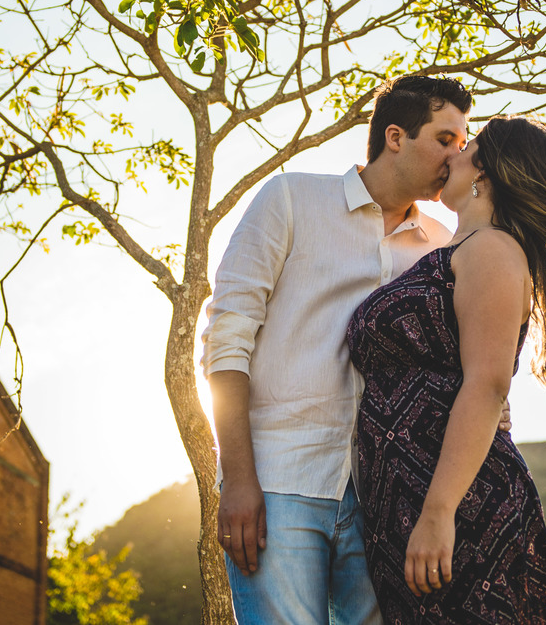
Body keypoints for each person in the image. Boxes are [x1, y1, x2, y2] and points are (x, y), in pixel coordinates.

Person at [200, 75, 476, 625]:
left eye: (463, 143)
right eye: (446, 139)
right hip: (279, 482)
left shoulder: (447, 247)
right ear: (395, 137)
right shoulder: (291, 199)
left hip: (390, 498)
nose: (457, 154)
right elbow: (227, 338)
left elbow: (465, 368)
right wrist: (238, 479)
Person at [347, 115, 546, 624]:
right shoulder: (456, 251)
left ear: (484, 173)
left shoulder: (492, 250)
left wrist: (439, 512)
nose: (451, 157)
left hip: (455, 501)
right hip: (404, 498)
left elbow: (487, 384)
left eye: (465, 147)